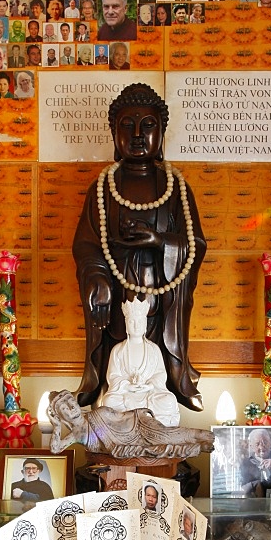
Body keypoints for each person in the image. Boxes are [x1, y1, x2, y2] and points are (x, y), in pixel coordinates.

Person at [73, 83, 207, 411]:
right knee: (117, 364)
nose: (136, 134)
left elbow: (196, 245)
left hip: (162, 294)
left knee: (156, 366)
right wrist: (99, 282)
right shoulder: (103, 188)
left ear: (161, 133)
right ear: (113, 134)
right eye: (126, 126)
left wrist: (160, 242)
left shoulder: (176, 187)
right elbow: (87, 246)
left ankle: (166, 399)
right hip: (117, 292)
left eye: (147, 125)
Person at [48, 389, 214, 461]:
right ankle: (197, 447)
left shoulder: (95, 414)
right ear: (61, 415)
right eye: (65, 408)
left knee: (166, 434)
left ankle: (196, 434)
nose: (71, 408)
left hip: (136, 425)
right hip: (123, 446)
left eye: (71, 402)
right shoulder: (77, 434)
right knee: (159, 446)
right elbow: (56, 449)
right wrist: (55, 426)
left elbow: (121, 415)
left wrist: (138, 412)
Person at [102, 296, 180, 426]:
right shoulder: (118, 350)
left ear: (145, 324)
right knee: (109, 401)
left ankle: (143, 423)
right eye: (132, 322)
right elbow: (113, 376)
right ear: (126, 324)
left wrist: (149, 386)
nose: (136, 325)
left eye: (140, 321)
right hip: (125, 394)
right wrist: (127, 386)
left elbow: (160, 374)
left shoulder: (153, 349)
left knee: (169, 400)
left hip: (149, 395)